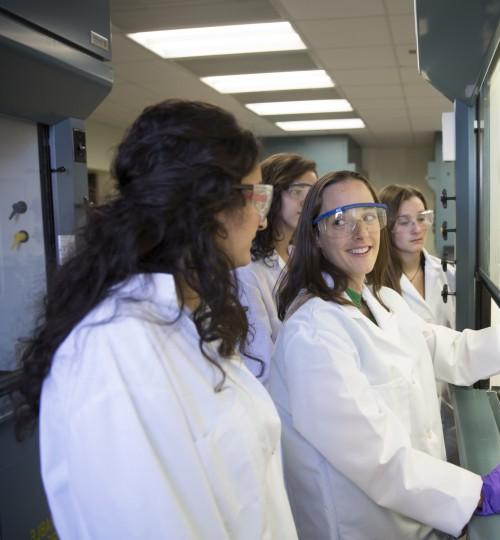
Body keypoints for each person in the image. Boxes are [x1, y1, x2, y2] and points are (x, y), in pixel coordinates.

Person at [13, 100, 297, 539]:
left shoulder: (184, 319)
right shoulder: (114, 348)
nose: (262, 221)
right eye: (257, 197)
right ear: (209, 206)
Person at [270, 170, 500, 539]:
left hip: (414, 518)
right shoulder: (313, 334)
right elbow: (375, 455)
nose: (360, 232)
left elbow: (455, 352)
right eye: (340, 221)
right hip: (364, 528)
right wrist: (478, 492)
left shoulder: (384, 302)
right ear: (315, 236)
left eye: (368, 216)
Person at [237, 153, 318, 343]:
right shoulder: (249, 267)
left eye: (312, 195)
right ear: (269, 194)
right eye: (297, 192)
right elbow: (261, 350)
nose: (305, 203)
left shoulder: (301, 257)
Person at [379, 184, 455, 328]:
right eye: (404, 222)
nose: (417, 229)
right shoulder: (374, 282)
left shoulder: (447, 272)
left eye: (421, 218)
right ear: (386, 227)